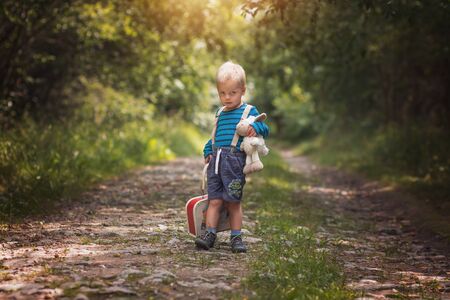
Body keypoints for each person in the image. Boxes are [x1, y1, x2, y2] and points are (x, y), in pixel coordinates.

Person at [195, 61, 269, 253]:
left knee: (233, 201)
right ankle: (210, 233)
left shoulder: (248, 111)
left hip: (234, 163)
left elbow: (265, 128)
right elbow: (215, 137)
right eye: (222, 93)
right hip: (216, 163)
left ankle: (236, 237)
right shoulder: (220, 113)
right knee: (215, 200)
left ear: (242, 90)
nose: (227, 98)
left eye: (232, 93)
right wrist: (207, 150)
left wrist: (255, 128)